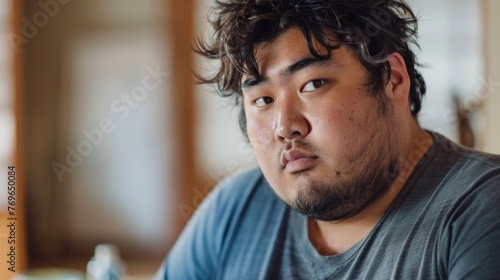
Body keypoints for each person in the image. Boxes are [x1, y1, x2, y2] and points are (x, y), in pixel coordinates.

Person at [156, 0, 500, 279]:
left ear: (392, 79)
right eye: (263, 100)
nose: (284, 126)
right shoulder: (235, 210)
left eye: (313, 84)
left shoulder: (481, 207)